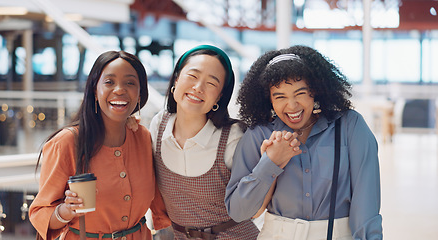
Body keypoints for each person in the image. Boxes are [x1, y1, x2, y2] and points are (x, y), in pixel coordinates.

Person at [225, 45, 383, 239]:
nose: (292, 106)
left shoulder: (350, 126)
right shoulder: (259, 134)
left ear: (314, 91)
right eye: (280, 96)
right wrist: (270, 162)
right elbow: (238, 211)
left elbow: (366, 205)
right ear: (269, 100)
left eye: (300, 93)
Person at [29, 50, 169, 240]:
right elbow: (40, 214)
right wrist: (66, 211)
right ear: (95, 90)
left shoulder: (143, 138)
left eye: (130, 83)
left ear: (140, 93)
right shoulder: (66, 143)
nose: (120, 90)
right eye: (109, 82)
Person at [147, 45, 260, 239]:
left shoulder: (234, 137)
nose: (198, 88)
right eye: (192, 76)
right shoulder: (159, 125)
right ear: (176, 79)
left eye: (211, 83)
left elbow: (253, 207)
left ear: (220, 96)